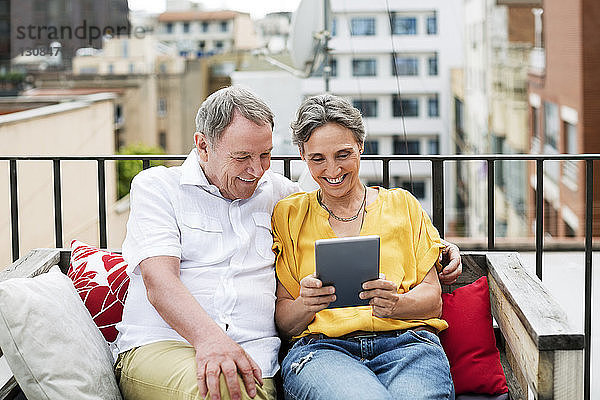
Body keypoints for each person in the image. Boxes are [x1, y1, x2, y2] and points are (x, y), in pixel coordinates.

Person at [114, 86, 462, 400]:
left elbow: (352, 203)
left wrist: (438, 246)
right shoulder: (159, 187)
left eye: (265, 155)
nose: (256, 170)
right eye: (242, 157)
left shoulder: (278, 196)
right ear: (203, 146)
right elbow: (160, 282)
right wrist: (212, 341)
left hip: (257, 358)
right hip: (168, 344)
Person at [272, 94, 455, 400]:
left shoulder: (402, 205)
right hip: (321, 350)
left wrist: (396, 304)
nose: (333, 170)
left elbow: (433, 300)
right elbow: (285, 322)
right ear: (302, 155)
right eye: (318, 158)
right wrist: (306, 304)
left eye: (343, 154)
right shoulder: (289, 215)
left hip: (407, 345)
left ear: (361, 146)